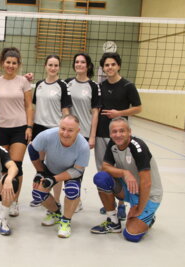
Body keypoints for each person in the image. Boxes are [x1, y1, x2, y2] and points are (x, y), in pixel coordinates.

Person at [90, 117, 162, 242]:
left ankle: (149, 217)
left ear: (130, 132)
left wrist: (138, 208)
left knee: (131, 235)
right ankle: (113, 222)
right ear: (110, 134)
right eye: (114, 131)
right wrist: (125, 173)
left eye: (122, 131)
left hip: (149, 195)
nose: (118, 135)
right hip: (129, 189)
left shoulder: (138, 147)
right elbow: (105, 167)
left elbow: (146, 183)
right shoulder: (113, 143)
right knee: (101, 178)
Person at [95, 52, 142, 220]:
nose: (109, 68)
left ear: (118, 66)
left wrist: (119, 113)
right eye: (106, 65)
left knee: (121, 168)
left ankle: (122, 204)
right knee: (103, 168)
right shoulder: (100, 86)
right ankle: (109, 204)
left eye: (112, 64)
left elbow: (138, 108)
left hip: (119, 136)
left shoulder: (128, 86)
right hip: (102, 133)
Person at [28, 114, 90, 238]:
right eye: (63, 129)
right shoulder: (47, 135)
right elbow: (32, 149)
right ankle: (56, 213)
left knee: (72, 191)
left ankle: (66, 221)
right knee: (37, 193)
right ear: (59, 127)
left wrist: (54, 179)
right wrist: (40, 171)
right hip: (50, 168)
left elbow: (78, 171)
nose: (65, 133)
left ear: (78, 131)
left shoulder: (83, 146)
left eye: (70, 130)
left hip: (71, 172)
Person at [0, 47, 33, 217]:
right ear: (2, 63)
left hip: (20, 128)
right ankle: (5, 198)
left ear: (18, 64)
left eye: (14, 63)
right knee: (4, 168)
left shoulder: (24, 82)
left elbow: (29, 105)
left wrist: (29, 127)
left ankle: (14, 202)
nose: (11, 65)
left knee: (17, 166)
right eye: (8, 62)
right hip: (1, 128)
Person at [31, 55, 71, 208]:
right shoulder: (40, 84)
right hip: (39, 128)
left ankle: (56, 199)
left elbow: (65, 109)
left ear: (59, 67)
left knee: (54, 168)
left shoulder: (62, 85)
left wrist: (67, 129)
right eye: (50, 65)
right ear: (45, 66)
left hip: (55, 129)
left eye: (56, 65)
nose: (53, 68)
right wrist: (31, 127)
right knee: (40, 165)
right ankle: (41, 195)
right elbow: (35, 107)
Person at [65, 53, 102, 211]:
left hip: (84, 133)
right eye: (77, 62)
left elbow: (95, 113)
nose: (79, 64)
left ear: (87, 66)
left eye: (82, 62)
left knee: (78, 170)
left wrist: (92, 136)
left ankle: (76, 199)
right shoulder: (67, 83)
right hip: (68, 133)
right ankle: (71, 198)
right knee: (66, 167)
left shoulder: (93, 86)